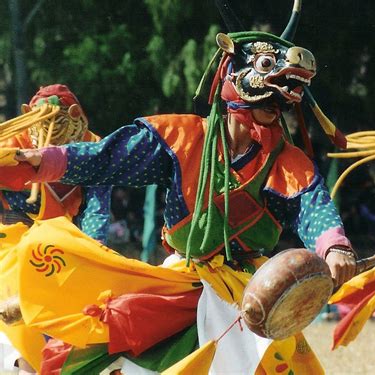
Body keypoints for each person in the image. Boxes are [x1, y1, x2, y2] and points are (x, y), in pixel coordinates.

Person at [1, 5, 356, 374]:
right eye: (270, 99)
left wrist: (333, 246)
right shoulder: (182, 138)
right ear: (232, 78)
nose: (276, 109)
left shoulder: (286, 160)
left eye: (281, 104)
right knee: (116, 336)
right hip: (182, 278)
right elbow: (108, 157)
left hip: (255, 289)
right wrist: (45, 160)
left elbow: (312, 202)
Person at [0, 84, 111, 374]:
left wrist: (88, 255)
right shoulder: (11, 145)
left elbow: (96, 214)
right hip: (11, 239)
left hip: (64, 243)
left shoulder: (95, 149)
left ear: (77, 117)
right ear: (28, 117)